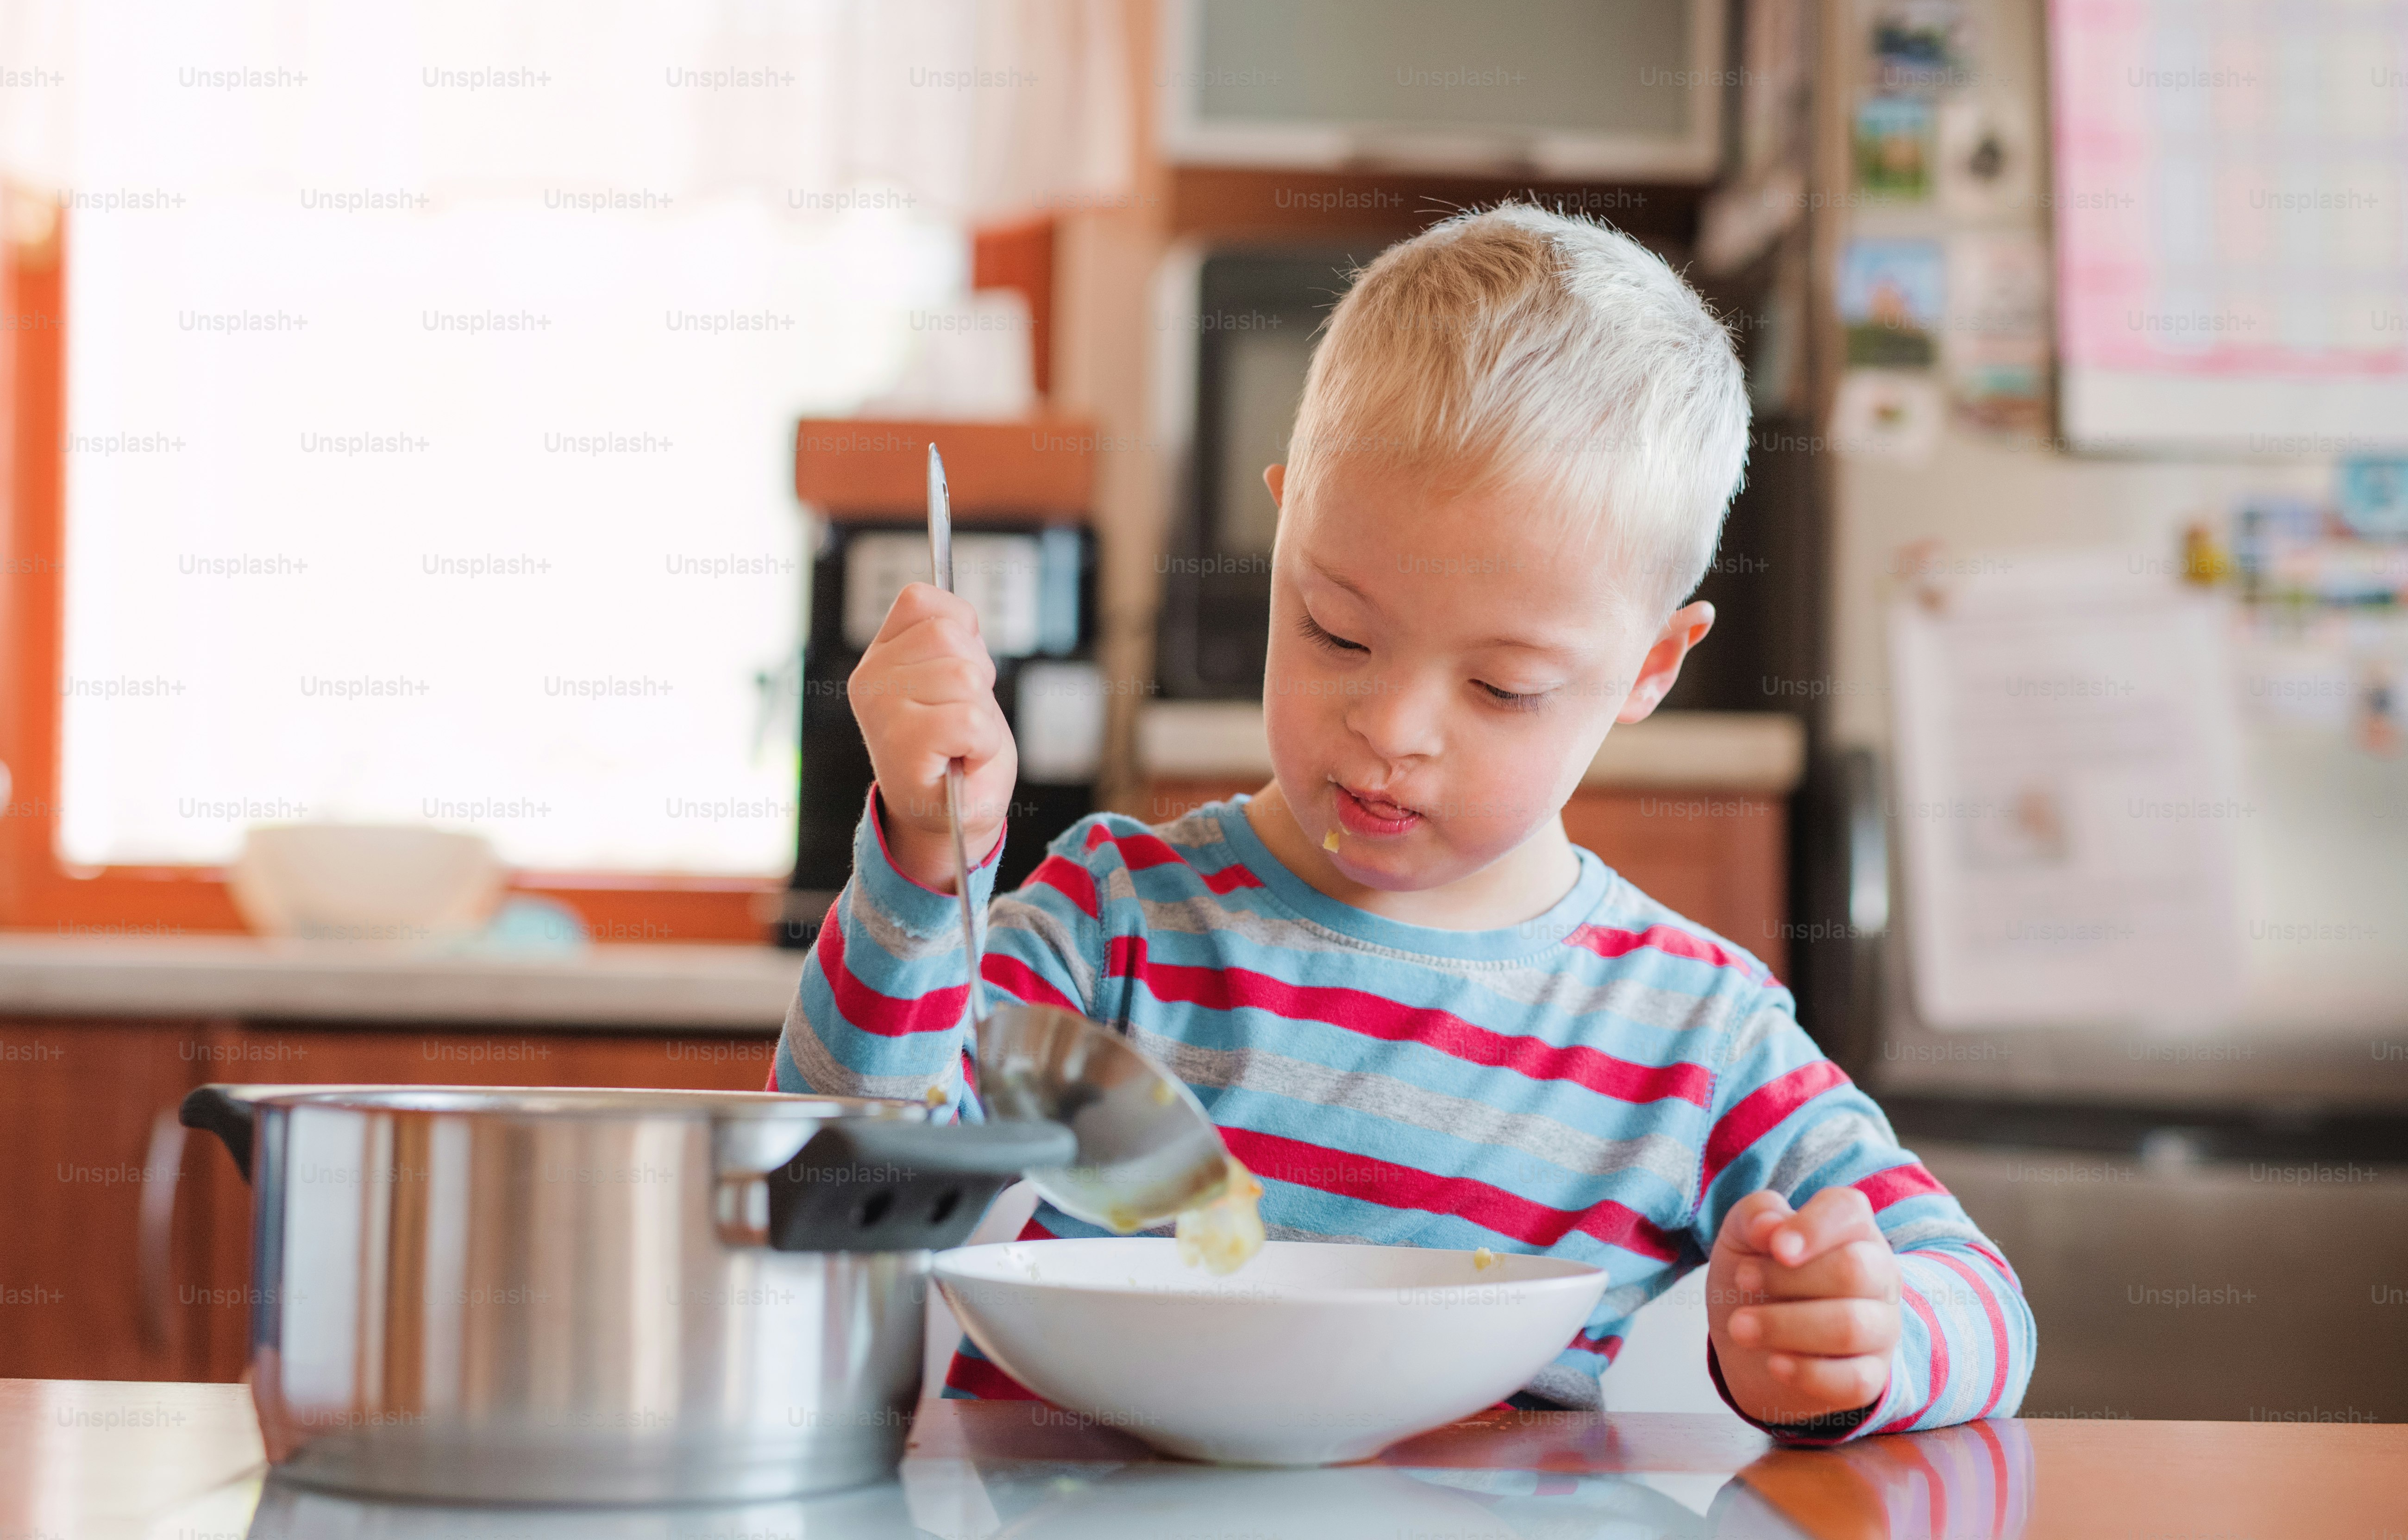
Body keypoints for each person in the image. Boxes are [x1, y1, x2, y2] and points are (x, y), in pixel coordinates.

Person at [772, 204, 2034, 1440]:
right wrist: (927, 865)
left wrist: (1857, 1341)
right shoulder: (1115, 926)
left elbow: (1980, 1302)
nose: (1393, 726)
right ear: (1283, 531)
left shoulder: (1692, 1032)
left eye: (1502, 687)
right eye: (1337, 629)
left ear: (1652, 666)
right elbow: (848, 1181)